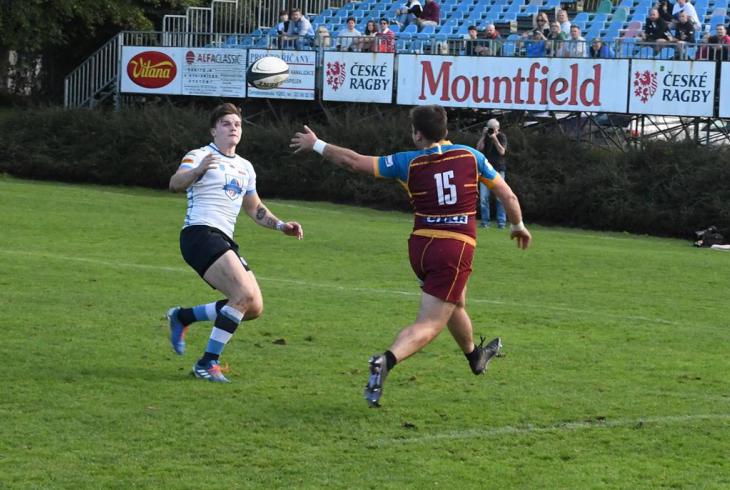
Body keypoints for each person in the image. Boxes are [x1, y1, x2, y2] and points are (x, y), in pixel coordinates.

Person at [290, 105, 532, 408]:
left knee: (455, 303)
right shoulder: (472, 156)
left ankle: (475, 357)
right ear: (445, 130)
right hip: (454, 247)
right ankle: (386, 360)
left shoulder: (407, 162)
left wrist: (317, 144)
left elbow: (352, 161)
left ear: (417, 134)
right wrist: (518, 225)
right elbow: (508, 195)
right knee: (430, 322)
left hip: (421, 247)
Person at [167, 103, 304, 383]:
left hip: (222, 239)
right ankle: (207, 363)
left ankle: (183, 316)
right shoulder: (199, 155)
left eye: (238, 124)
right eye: (227, 123)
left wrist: (281, 225)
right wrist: (197, 171)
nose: (233, 128)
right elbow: (175, 183)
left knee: (253, 307)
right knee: (242, 294)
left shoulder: (245, 167)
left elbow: (254, 208)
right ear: (213, 130)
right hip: (199, 233)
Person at [477, 119, 508, 229]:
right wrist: (483, 136)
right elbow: (478, 149)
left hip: (498, 170)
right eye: (489, 128)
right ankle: (485, 222)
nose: (491, 130)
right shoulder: (485, 137)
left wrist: (494, 138)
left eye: (493, 128)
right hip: (485, 170)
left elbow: (502, 151)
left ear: (498, 128)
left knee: (500, 197)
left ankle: (501, 223)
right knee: (484, 198)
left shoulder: (502, 137)